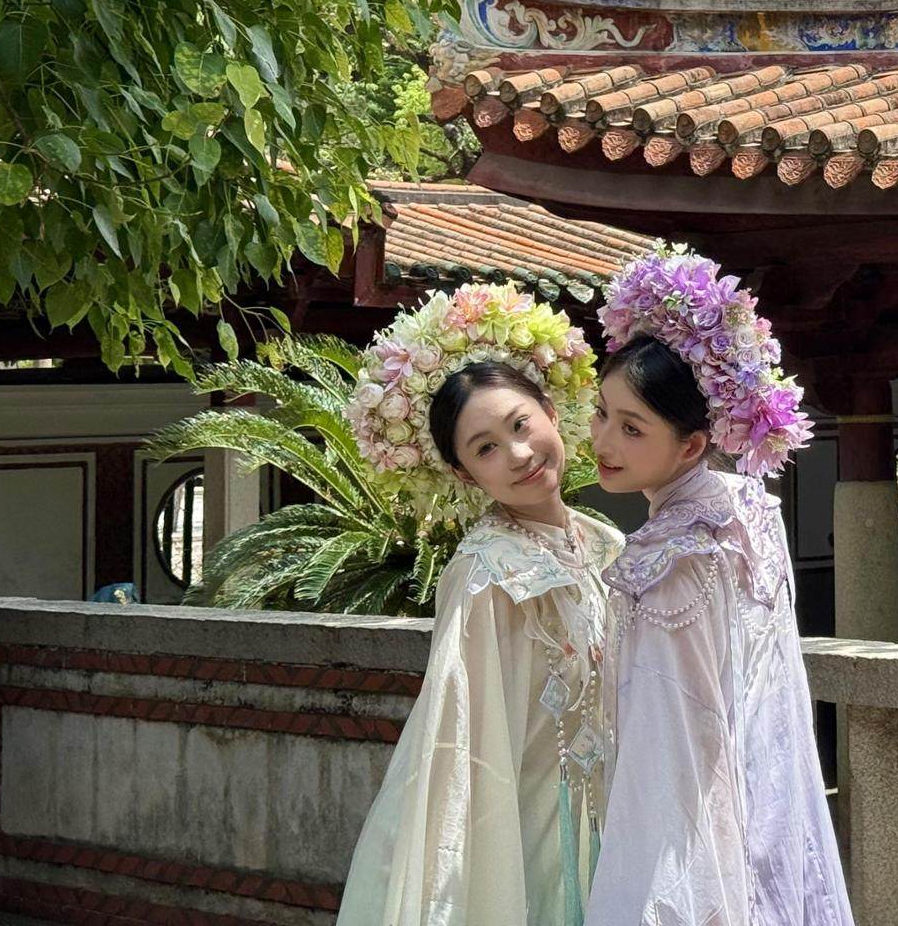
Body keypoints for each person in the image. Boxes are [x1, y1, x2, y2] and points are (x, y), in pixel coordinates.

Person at [337, 285, 621, 926]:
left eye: (521, 425)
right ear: (466, 475)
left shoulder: (605, 546)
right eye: (486, 447)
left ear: (551, 412)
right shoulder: (488, 572)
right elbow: (465, 738)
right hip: (537, 839)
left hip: (622, 818)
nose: (518, 454)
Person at [585, 248, 852, 924]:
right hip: (773, 804)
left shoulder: (666, 558)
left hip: (694, 834)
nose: (602, 441)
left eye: (631, 427)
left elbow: (667, 745)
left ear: (692, 446)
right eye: (601, 413)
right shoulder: (751, 509)